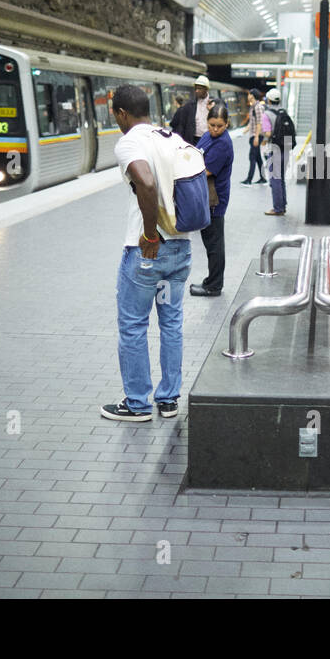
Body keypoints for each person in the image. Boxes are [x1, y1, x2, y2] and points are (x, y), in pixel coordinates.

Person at [102, 85, 192, 423]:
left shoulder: (130, 142)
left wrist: (150, 234)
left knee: (134, 326)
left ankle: (137, 403)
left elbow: (147, 183)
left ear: (122, 114)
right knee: (171, 324)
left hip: (147, 254)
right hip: (181, 249)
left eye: (115, 116)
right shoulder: (172, 137)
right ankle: (168, 400)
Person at [190, 103, 233, 297]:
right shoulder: (208, 136)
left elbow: (205, 170)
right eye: (212, 125)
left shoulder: (223, 143)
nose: (215, 129)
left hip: (215, 199)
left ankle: (214, 285)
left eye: (220, 126)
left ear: (227, 124)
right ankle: (211, 281)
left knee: (214, 243)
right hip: (206, 196)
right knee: (210, 242)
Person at [261, 87, 291, 216]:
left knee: (275, 178)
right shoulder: (284, 113)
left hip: (274, 149)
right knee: (281, 178)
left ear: (269, 100)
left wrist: (263, 141)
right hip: (286, 149)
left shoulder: (266, 115)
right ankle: (282, 205)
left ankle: (278, 208)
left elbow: (267, 133)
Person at [170, 75, 213, 143]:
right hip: (194, 140)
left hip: (210, 139)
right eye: (195, 88)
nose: (196, 91)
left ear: (206, 89)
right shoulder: (189, 106)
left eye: (199, 89)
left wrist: (212, 110)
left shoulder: (214, 103)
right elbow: (182, 125)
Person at [241, 88, 267, 185]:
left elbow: (260, 123)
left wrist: (256, 137)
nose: (248, 96)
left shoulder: (258, 107)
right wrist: (244, 131)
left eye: (249, 94)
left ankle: (249, 179)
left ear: (252, 96)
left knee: (252, 156)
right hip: (253, 135)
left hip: (257, 135)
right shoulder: (253, 107)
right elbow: (252, 122)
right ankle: (263, 178)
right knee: (257, 158)